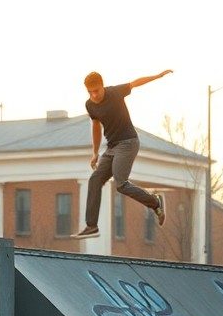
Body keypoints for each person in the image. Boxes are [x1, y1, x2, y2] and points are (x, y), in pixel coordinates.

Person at [71, 69, 171, 240]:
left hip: (128, 142)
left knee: (121, 184)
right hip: (111, 147)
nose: (94, 95)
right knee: (95, 179)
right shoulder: (90, 105)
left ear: (102, 86)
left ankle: (155, 202)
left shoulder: (115, 92)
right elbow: (96, 126)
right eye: (90, 92)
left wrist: (157, 76)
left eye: (96, 91)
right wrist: (95, 152)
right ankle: (91, 226)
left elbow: (136, 83)